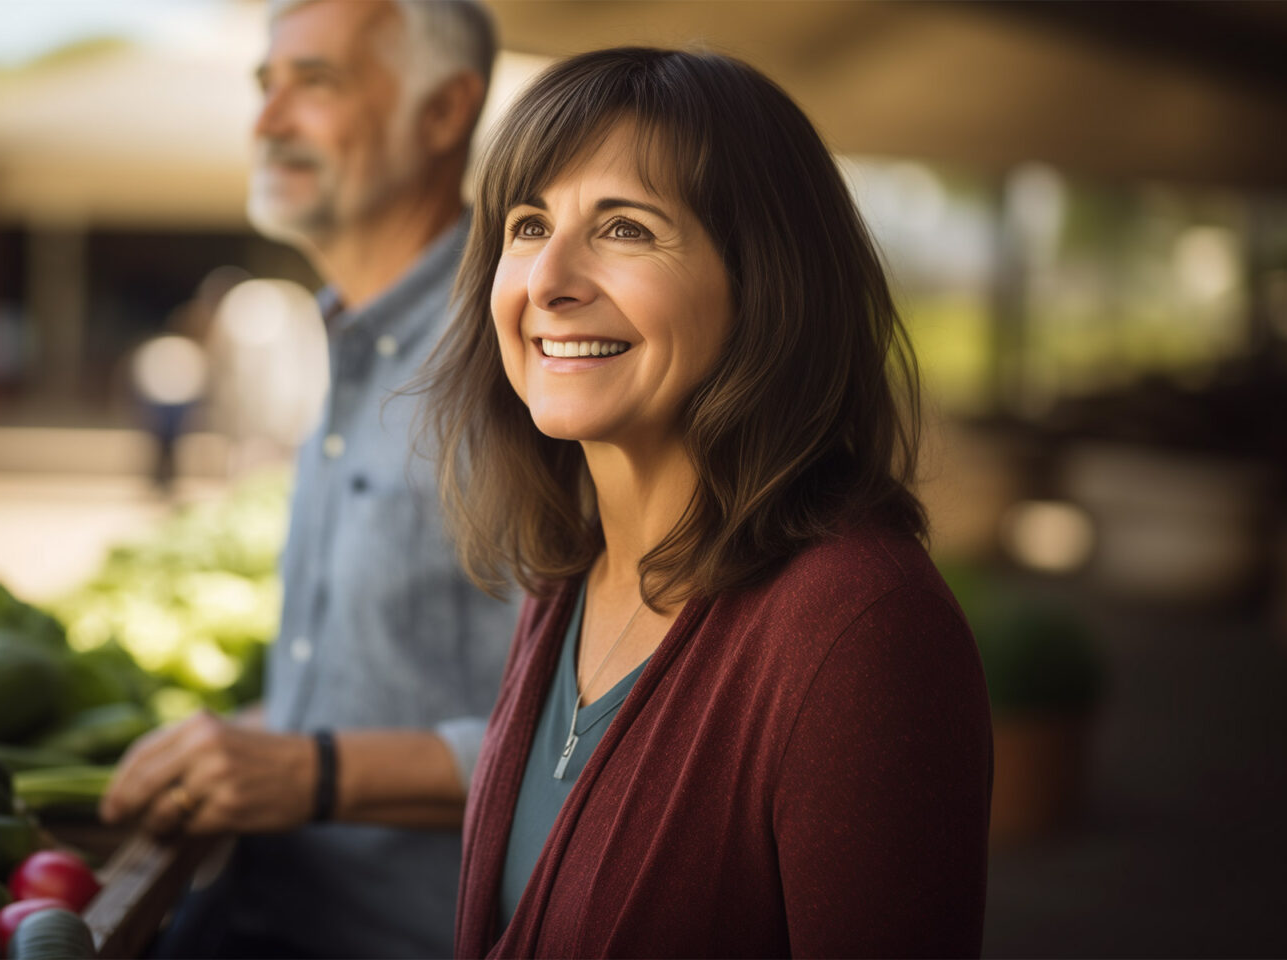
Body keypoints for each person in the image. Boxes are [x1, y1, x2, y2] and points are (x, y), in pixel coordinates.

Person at [422, 48, 993, 957]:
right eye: (528, 226)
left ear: (767, 283)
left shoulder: (860, 629)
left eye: (627, 229)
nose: (548, 281)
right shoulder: (571, 573)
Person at [99, 2, 516, 957]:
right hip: (268, 908)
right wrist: (240, 742)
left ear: (446, 111)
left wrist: (316, 771)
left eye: (316, 82)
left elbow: (620, 737)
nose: (267, 122)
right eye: (265, 85)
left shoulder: (518, 362)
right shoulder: (355, 338)